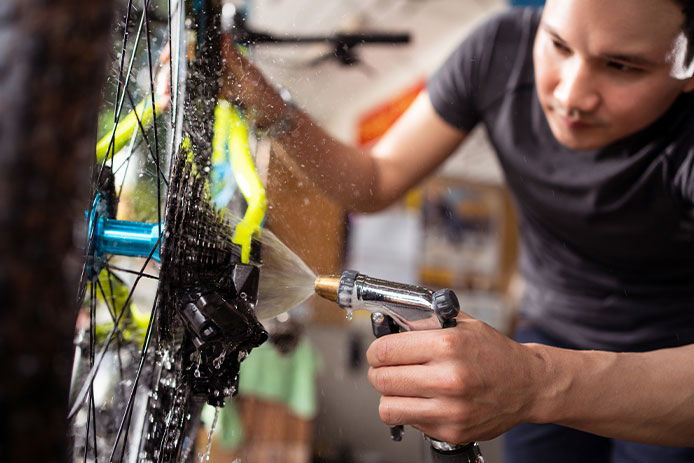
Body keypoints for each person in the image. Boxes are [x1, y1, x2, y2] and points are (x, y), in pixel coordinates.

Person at [220, 0, 694, 461]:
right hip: (545, 331)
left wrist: (537, 384)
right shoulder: (499, 50)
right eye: (558, 44)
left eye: (622, 66)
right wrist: (263, 103)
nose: (570, 94)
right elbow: (373, 181)